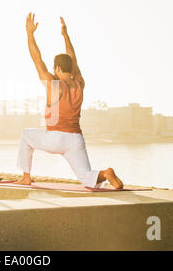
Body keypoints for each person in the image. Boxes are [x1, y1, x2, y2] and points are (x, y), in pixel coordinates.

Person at [14, 13, 123, 189]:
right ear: (71, 68)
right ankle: (105, 173)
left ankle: (26, 177)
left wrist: (29, 34)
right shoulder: (80, 84)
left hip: (55, 138)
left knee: (26, 135)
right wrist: (66, 35)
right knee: (88, 178)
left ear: (57, 68)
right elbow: (73, 59)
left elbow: (37, 59)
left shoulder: (53, 84)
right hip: (76, 140)